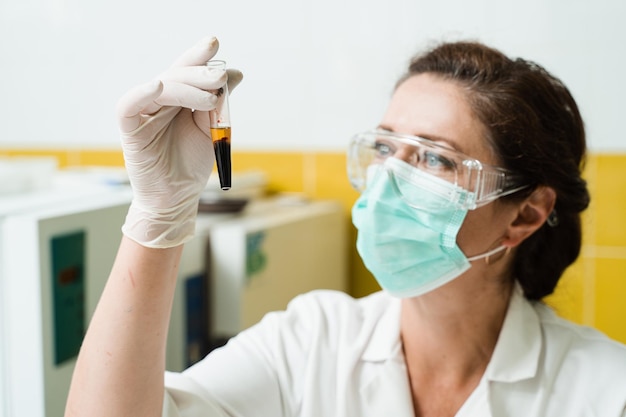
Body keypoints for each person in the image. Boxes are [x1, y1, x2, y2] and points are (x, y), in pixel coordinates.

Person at [65, 36, 626, 417]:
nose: (387, 181)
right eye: (384, 146)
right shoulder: (310, 342)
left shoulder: (604, 389)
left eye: (434, 158)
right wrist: (157, 216)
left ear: (523, 215)